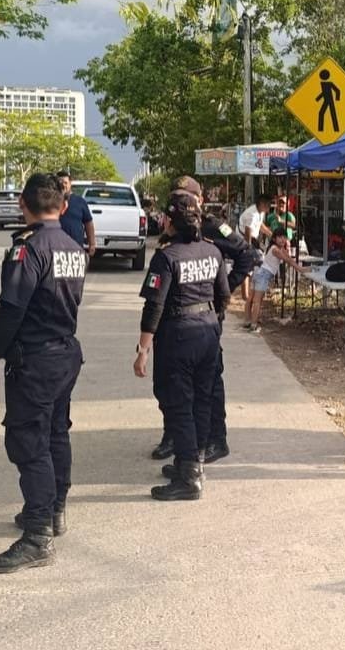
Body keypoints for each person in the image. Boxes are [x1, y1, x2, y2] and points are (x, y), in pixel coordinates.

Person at [0, 173, 87, 573]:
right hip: (65, 354)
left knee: (30, 442)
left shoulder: (29, 249)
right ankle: (53, 511)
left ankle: (38, 536)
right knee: (56, 433)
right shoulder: (74, 247)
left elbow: (11, 310)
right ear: (64, 205)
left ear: (23, 204)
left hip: (36, 360)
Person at [147, 175, 254, 465]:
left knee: (208, 385)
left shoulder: (212, 225)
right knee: (166, 382)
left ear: (200, 198)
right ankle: (174, 436)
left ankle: (214, 439)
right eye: (177, 195)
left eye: (187, 195)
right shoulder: (172, 224)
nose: (181, 200)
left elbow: (247, 255)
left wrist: (223, 291)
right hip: (171, 321)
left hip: (202, 318)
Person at [133, 189, 230, 500]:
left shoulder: (167, 257)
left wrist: (143, 349)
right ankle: (193, 462)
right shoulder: (212, 252)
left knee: (178, 405)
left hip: (178, 336)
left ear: (169, 221)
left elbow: (154, 307)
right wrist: (212, 322)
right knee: (201, 401)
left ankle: (188, 476)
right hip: (208, 331)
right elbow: (224, 295)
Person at [244, 228, 309, 333]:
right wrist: (300, 269)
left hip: (259, 272)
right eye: (280, 237)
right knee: (257, 301)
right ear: (274, 239)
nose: (282, 239)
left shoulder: (279, 248)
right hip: (263, 274)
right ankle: (253, 324)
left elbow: (288, 257)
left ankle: (248, 321)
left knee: (251, 299)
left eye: (284, 237)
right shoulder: (275, 249)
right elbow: (287, 259)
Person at [236, 193, 271, 299]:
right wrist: (249, 249)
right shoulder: (252, 214)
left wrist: (271, 234)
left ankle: (253, 292)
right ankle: (248, 294)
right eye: (268, 204)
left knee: (252, 267)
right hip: (244, 241)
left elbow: (260, 225)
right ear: (261, 204)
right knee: (254, 264)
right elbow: (247, 232)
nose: (269, 207)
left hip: (252, 239)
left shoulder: (261, 212)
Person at [55, 171, 96, 261]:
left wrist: (92, 243)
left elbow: (88, 223)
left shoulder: (80, 201)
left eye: (65, 183)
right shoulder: (52, 201)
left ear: (70, 183)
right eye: (60, 183)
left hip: (75, 247)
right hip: (55, 248)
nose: (63, 185)